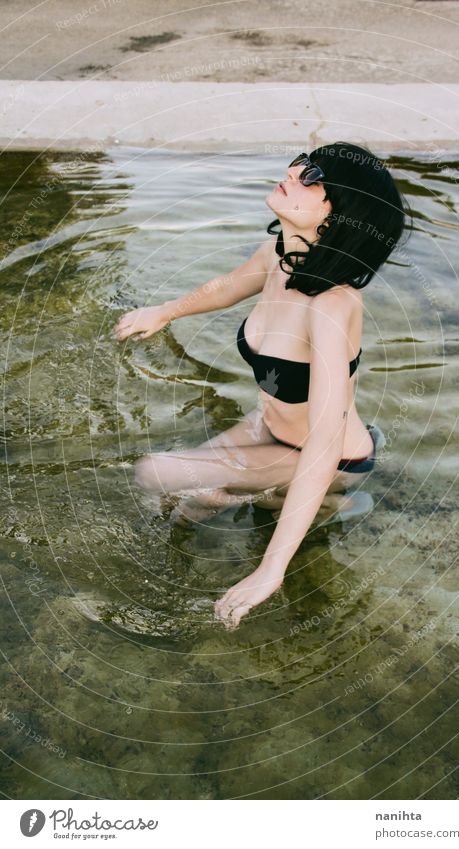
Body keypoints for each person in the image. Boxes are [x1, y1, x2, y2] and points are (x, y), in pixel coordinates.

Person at [113, 142, 410, 629]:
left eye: (312, 175)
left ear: (339, 216)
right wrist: (164, 312)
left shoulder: (332, 308)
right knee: (189, 507)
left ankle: (340, 499)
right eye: (301, 161)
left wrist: (271, 568)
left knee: (157, 473)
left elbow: (324, 441)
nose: (294, 171)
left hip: (328, 456)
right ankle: (248, 508)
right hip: (267, 426)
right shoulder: (278, 256)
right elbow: (226, 285)